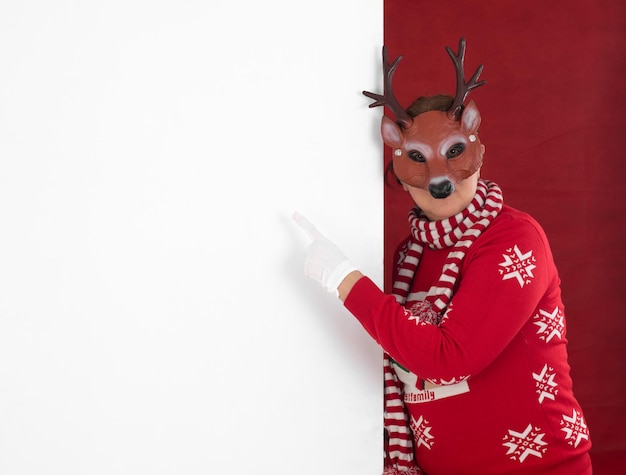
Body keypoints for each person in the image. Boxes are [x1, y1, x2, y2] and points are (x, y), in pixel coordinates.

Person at [293, 39, 592, 475]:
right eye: (418, 158)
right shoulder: (407, 257)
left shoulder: (513, 240)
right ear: (396, 156)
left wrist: (344, 279)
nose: (439, 179)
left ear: (476, 143)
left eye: (454, 152)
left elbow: (450, 359)